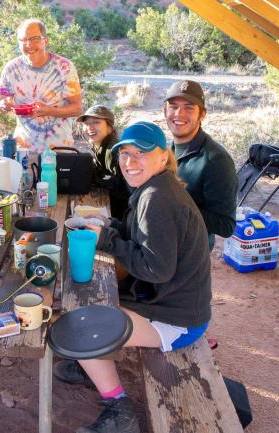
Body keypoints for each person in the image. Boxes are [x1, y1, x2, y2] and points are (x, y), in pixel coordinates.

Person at [63, 121, 212, 433]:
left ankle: (120, 410)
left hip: (177, 320)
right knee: (94, 295)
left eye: (140, 154)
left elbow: (156, 268)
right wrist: (113, 227)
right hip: (174, 302)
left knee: (79, 324)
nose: (129, 162)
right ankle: (90, 362)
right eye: (125, 154)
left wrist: (108, 240)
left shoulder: (157, 199)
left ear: (162, 156)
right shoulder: (157, 188)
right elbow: (145, 238)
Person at [164, 80, 238, 249]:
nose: (179, 114)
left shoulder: (216, 160)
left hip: (190, 252)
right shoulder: (168, 148)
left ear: (202, 114)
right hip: (165, 238)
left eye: (189, 107)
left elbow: (225, 225)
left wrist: (175, 207)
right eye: (173, 106)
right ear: (164, 110)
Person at [0, 18, 83, 155]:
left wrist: (48, 110)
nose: (28, 44)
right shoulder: (10, 69)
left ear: (46, 40)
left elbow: (77, 108)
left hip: (59, 150)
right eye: (23, 40)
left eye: (34, 39)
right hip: (23, 150)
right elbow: (3, 101)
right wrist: (4, 104)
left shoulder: (64, 67)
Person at [76, 105, 129, 218]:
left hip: (122, 214)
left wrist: (95, 179)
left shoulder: (113, 150)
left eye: (96, 122)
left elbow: (122, 185)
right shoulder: (99, 145)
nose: (89, 127)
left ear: (109, 127)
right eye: (86, 123)